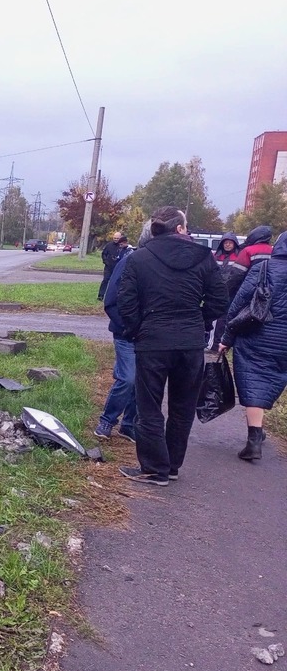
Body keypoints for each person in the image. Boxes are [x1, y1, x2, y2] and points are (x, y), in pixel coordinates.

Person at [115, 206, 228, 486]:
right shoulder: (204, 257)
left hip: (153, 340)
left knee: (149, 406)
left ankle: (155, 469)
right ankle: (172, 466)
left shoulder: (139, 258)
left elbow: (126, 302)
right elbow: (219, 301)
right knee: (182, 407)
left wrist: (137, 329)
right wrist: (198, 320)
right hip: (190, 343)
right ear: (179, 228)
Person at [219, 232, 287, 461]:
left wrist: (226, 337)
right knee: (270, 381)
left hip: (256, 337)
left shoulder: (263, 269)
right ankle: (258, 431)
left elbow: (238, 304)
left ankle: (254, 441)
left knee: (254, 383)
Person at [94, 226, 148, 442]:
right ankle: (107, 420)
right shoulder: (130, 261)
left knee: (141, 381)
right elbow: (111, 299)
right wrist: (127, 326)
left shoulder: (161, 266)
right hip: (126, 333)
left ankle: (128, 425)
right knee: (127, 378)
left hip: (149, 334)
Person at [209, 233, 241, 350]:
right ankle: (214, 344)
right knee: (216, 319)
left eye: (230, 243)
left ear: (234, 244)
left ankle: (225, 343)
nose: (227, 245)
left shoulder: (239, 257)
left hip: (233, 292)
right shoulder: (216, 256)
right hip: (217, 292)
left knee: (229, 317)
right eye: (225, 243)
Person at [225, 225, 274, 302]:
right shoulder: (274, 251)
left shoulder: (247, 251)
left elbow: (236, 275)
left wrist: (226, 291)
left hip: (248, 291)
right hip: (269, 291)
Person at [98, 232, 128, 300]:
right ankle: (101, 295)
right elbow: (104, 254)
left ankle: (114, 296)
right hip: (108, 267)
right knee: (105, 280)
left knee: (116, 282)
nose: (116, 240)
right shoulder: (109, 245)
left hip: (117, 267)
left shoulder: (122, 246)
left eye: (117, 238)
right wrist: (106, 261)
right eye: (114, 238)